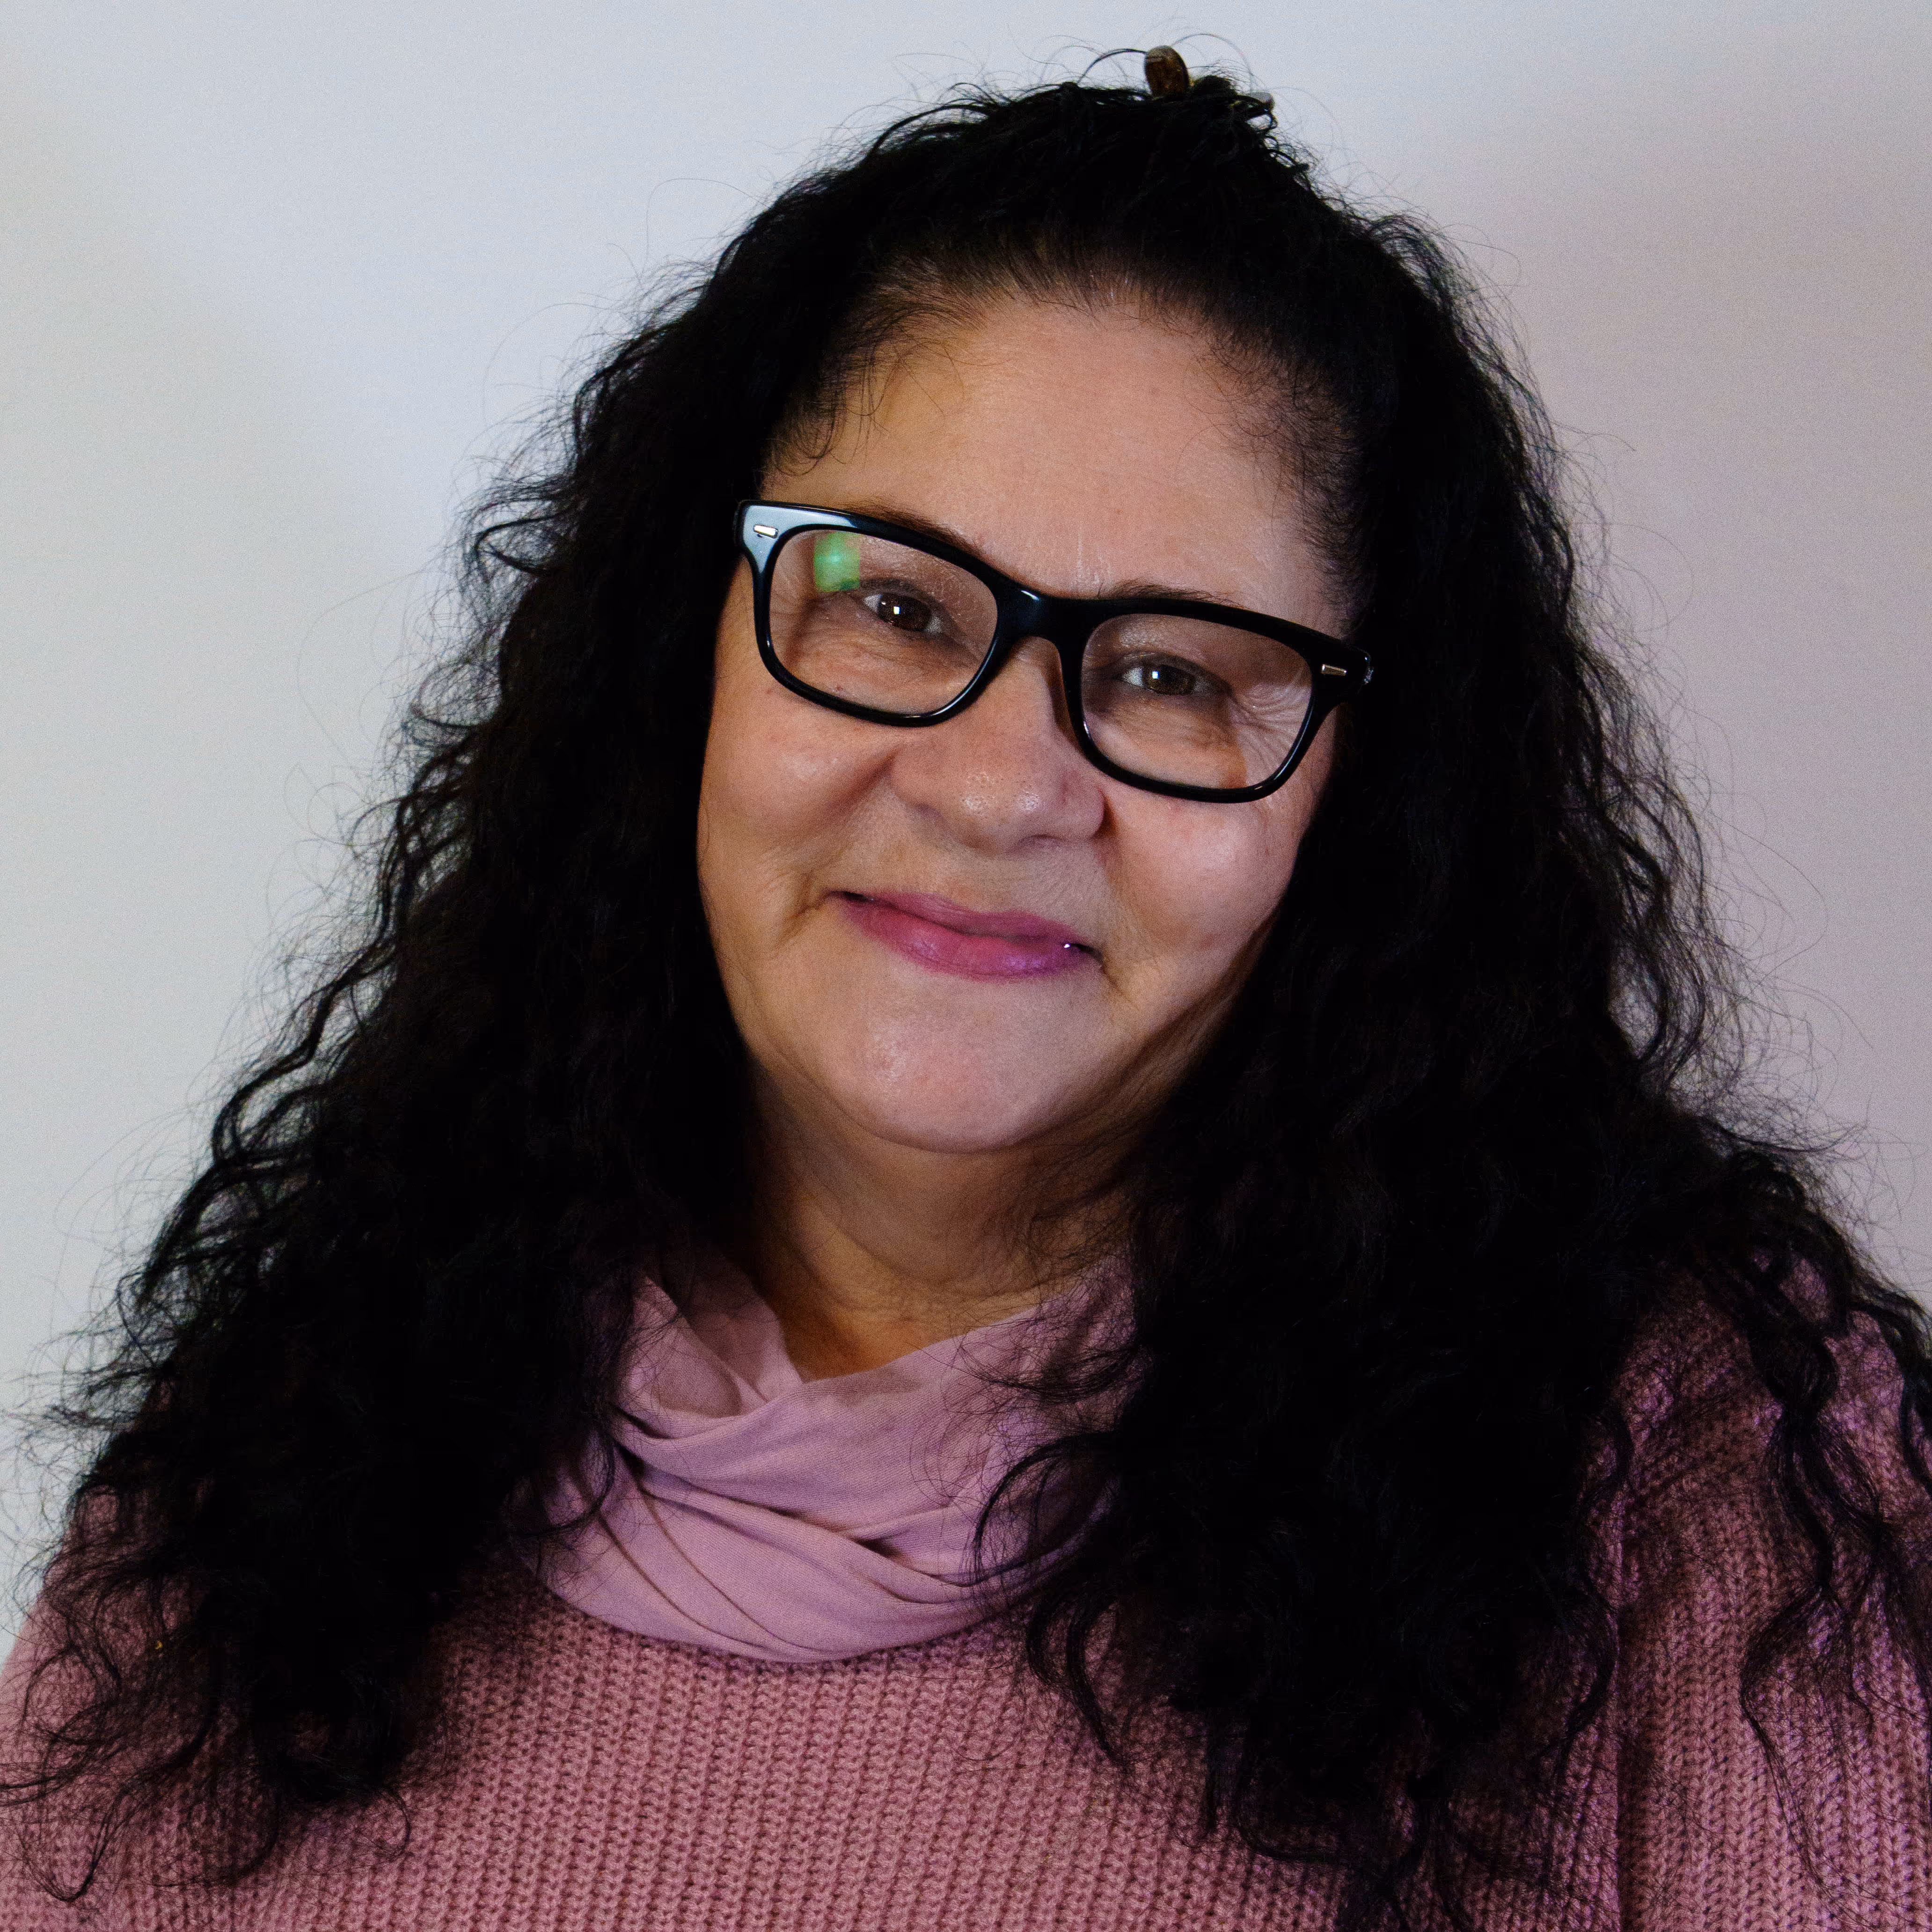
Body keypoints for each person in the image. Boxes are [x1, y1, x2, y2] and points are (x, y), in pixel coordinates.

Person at [2, 50, 1928, 1932]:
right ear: (689, 655)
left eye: (1175, 674)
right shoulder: (279, 1467)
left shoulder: (1704, 1521)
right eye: (898, 607)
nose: (1003, 784)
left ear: (1368, 803)